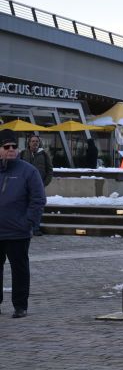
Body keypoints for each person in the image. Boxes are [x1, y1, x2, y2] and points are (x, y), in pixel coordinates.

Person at [0, 129, 46, 318]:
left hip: (18, 232)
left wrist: (28, 222)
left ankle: (20, 305)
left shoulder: (28, 170)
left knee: (19, 269)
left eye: (14, 146)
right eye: (6, 147)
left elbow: (38, 199)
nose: (11, 150)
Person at [19, 134, 52, 235]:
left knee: (37, 207)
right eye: (32, 141)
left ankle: (35, 228)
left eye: (36, 141)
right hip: (24, 186)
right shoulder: (23, 153)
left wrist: (44, 183)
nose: (35, 143)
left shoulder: (44, 154)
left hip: (38, 187)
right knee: (23, 207)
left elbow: (50, 170)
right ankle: (24, 227)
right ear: (29, 143)